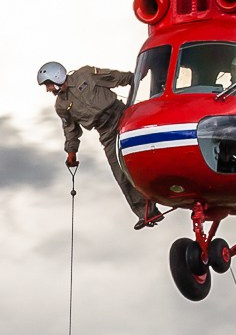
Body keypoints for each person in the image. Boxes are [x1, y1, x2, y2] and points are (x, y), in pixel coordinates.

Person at [38, 61, 161, 227]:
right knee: (120, 173)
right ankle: (147, 213)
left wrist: (136, 76)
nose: (48, 89)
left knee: (151, 149)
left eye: (48, 84)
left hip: (122, 115)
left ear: (56, 77)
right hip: (106, 132)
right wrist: (71, 152)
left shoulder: (85, 74)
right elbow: (70, 129)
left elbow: (113, 77)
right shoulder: (60, 106)